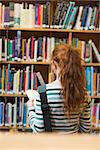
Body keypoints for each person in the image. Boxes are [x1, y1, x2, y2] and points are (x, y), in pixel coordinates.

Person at [27, 44, 92, 133]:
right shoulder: (83, 94)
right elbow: (85, 129)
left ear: (53, 64)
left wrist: (31, 109)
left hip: (50, 146)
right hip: (74, 146)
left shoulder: (43, 93)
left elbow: (39, 130)